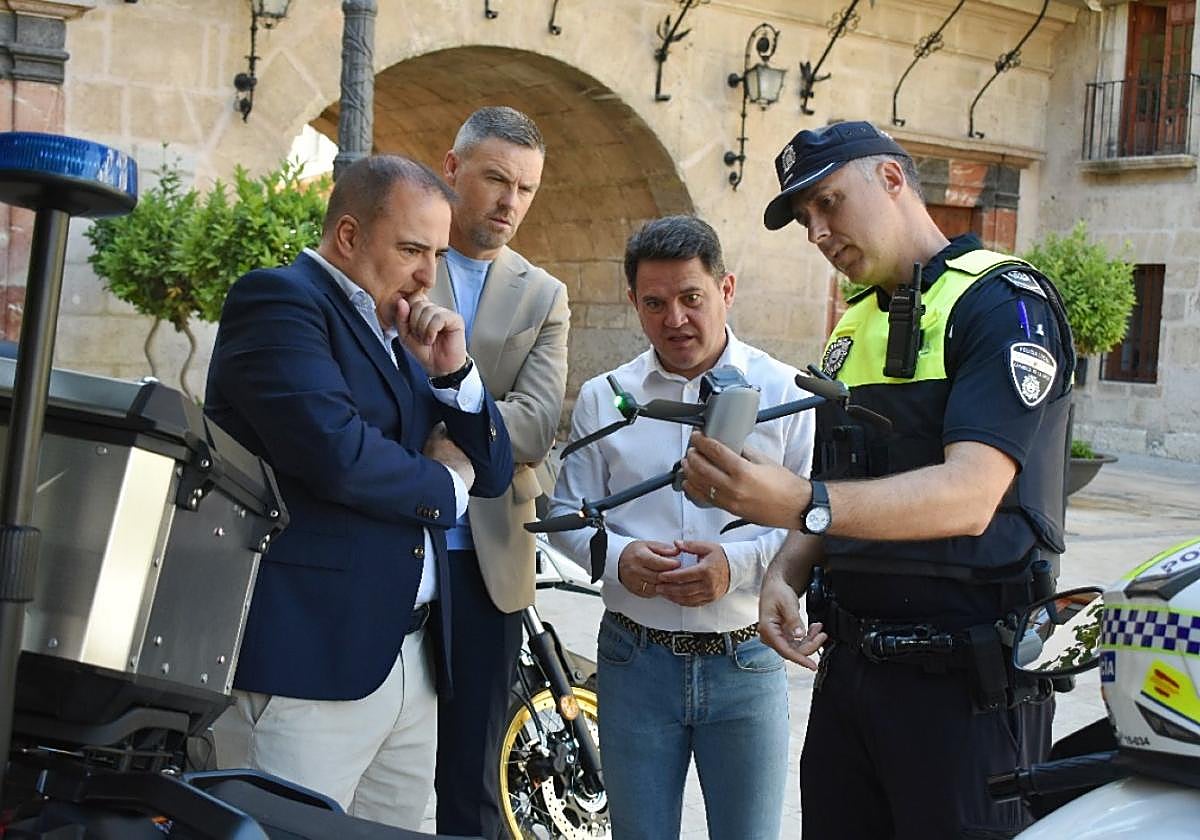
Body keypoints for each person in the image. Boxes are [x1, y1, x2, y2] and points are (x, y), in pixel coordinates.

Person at [679, 120, 1075, 839]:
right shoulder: (848, 328)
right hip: (852, 675)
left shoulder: (1004, 304)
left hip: (968, 687)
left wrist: (801, 503)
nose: (817, 232)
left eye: (828, 203)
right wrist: (788, 571)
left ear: (891, 180)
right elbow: (841, 487)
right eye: (805, 219)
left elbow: (971, 493)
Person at [205, 154, 514, 830]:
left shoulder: (402, 329)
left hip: (412, 664)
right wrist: (447, 482)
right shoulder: (278, 300)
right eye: (411, 249)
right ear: (348, 236)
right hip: (309, 664)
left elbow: (494, 469)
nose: (429, 275)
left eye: (436, 252)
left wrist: (455, 373)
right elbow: (340, 456)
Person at [548, 215, 818, 840]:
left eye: (691, 298)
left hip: (746, 658)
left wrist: (736, 567)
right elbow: (565, 516)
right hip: (633, 658)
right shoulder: (603, 396)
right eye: (656, 303)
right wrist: (618, 557)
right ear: (634, 304)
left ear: (726, 290)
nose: (675, 319)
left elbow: (815, 523)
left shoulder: (785, 391)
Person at [429, 106, 570, 839]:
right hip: (392, 546)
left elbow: (540, 423)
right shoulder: (404, 256)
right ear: (452, 168)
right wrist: (486, 425)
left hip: (489, 561)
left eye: (526, 188)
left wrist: (447, 433)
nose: (510, 201)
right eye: (495, 179)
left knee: (473, 778)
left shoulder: (543, 295)